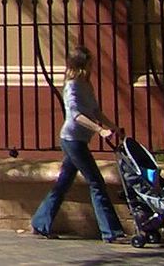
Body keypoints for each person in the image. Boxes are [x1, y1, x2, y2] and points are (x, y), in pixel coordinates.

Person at [30, 48, 126, 243]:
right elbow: (76, 115)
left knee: (63, 183)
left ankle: (40, 223)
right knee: (96, 182)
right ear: (82, 65)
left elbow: (95, 111)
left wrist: (113, 127)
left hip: (79, 140)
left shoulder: (86, 85)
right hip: (72, 140)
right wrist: (100, 131)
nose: (93, 66)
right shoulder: (71, 86)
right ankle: (111, 232)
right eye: (90, 63)